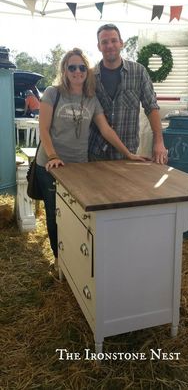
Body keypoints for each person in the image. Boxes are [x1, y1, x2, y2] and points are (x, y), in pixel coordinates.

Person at [35, 48, 148, 268]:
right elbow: (44, 129)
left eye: (81, 67)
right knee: (54, 212)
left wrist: (128, 154)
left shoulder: (91, 98)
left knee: (76, 213)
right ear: (65, 70)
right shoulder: (52, 92)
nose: (77, 71)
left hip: (78, 166)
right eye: (72, 67)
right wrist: (54, 156)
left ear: (87, 71)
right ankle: (59, 260)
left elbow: (106, 129)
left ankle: (76, 259)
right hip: (50, 165)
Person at [88, 23, 168, 164]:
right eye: (104, 42)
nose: (110, 45)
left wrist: (159, 142)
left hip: (127, 153)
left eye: (114, 40)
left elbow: (151, 107)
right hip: (96, 152)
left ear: (121, 43)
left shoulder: (138, 72)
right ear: (99, 46)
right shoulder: (90, 76)